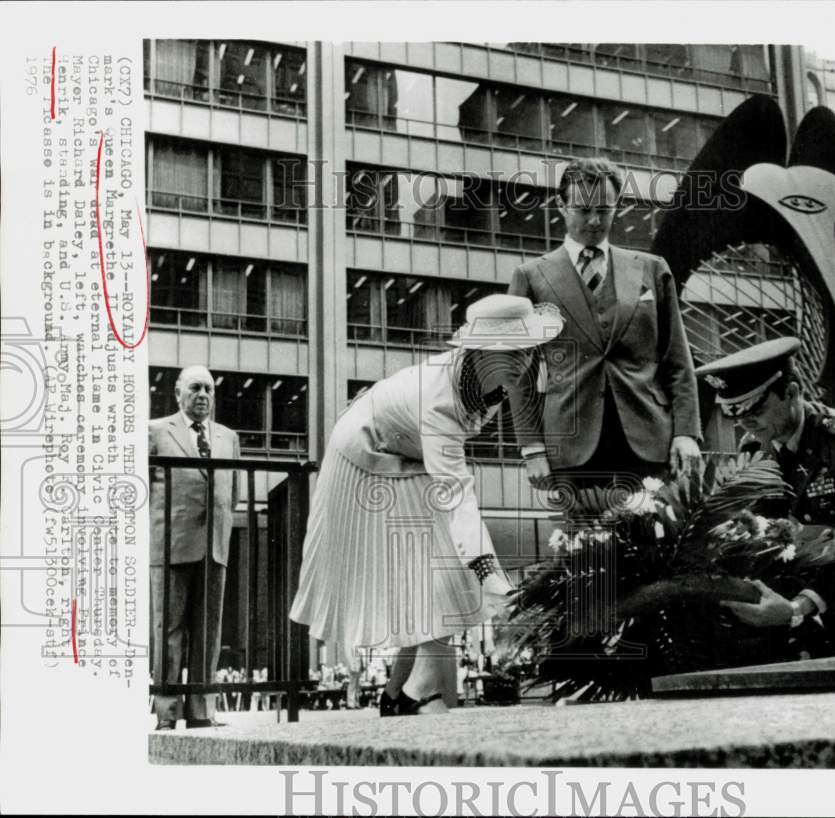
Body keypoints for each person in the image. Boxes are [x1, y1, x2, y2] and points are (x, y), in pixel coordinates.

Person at [290, 295, 564, 715]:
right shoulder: (441, 404)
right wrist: (496, 582)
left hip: (405, 452)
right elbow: (459, 501)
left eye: (530, 349)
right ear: (482, 353)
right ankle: (421, 691)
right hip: (362, 455)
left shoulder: (485, 382)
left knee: (440, 569)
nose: (527, 362)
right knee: (445, 566)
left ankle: (397, 693)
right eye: (515, 351)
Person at [695, 337, 835, 654]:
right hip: (822, 577)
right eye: (734, 414)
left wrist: (797, 608)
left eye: (756, 409)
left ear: (791, 393)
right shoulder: (757, 448)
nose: (744, 423)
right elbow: (765, 530)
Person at [507, 157, 701, 502]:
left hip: (650, 442)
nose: (595, 221)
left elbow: (677, 359)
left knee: (658, 549)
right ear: (561, 207)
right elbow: (517, 371)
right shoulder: (531, 277)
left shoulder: (652, 270)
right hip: (570, 445)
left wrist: (686, 433)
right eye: (583, 210)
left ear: (617, 207)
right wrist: (532, 447)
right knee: (584, 551)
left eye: (604, 209)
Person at [149, 365, 241, 729]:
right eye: (195, 388)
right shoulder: (155, 431)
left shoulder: (228, 437)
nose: (203, 395)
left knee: (209, 631)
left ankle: (202, 712)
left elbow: (231, 496)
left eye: (209, 389)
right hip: (170, 545)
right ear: (178, 393)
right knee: (168, 629)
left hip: (214, 546)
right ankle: (167, 713)